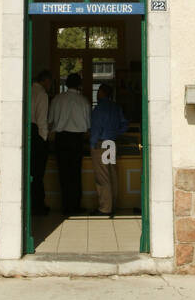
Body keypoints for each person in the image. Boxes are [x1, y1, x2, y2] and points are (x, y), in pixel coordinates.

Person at [47, 72, 91, 215]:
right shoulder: (83, 101)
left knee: (63, 173)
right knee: (75, 173)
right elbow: (88, 124)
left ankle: (66, 206)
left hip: (61, 139)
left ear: (66, 84)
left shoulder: (57, 100)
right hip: (77, 139)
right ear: (79, 85)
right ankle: (75, 206)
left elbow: (50, 121)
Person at [88, 83, 129, 217]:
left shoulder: (99, 109)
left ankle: (105, 208)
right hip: (112, 142)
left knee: (102, 177)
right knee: (112, 174)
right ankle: (113, 204)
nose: (97, 94)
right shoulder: (116, 107)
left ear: (101, 93)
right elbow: (124, 124)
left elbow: (96, 129)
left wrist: (92, 144)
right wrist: (115, 133)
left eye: (98, 91)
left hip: (101, 144)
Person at [29, 70, 53, 216]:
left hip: (27, 132)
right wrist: (44, 139)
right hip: (36, 133)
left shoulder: (27, 90)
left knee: (30, 172)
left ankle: (30, 204)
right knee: (38, 174)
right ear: (45, 81)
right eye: (50, 82)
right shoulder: (42, 94)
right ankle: (38, 205)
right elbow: (42, 119)